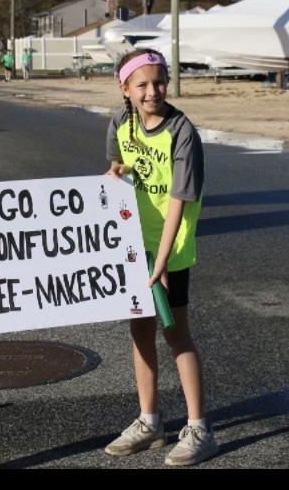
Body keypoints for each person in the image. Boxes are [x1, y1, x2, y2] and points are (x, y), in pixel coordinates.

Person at [103, 49, 218, 467]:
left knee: (176, 334)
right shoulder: (120, 121)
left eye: (160, 82)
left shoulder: (183, 132)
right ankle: (150, 421)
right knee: (139, 331)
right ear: (125, 89)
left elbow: (179, 201)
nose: (153, 91)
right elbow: (116, 167)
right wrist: (115, 172)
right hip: (132, 246)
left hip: (170, 249)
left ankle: (200, 428)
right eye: (143, 84)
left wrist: (162, 262)